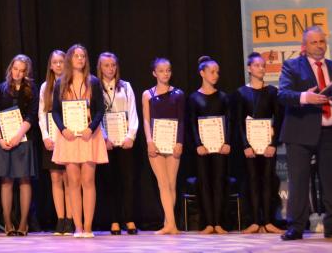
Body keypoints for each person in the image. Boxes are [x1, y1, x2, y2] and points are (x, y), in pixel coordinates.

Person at [279, 26, 332, 240]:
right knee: (299, 180)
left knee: (331, 181)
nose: (319, 46)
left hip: (331, 132)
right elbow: (283, 95)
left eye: (321, 41)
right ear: (304, 46)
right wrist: (305, 97)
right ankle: (296, 226)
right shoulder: (291, 66)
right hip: (300, 131)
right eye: (314, 42)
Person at [51, 44, 107, 238]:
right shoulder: (61, 83)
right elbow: (55, 111)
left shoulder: (93, 82)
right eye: (76, 56)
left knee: (88, 180)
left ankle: (88, 227)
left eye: (83, 56)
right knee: (73, 181)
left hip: (88, 135)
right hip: (69, 137)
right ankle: (78, 227)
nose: (80, 59)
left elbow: (100, 110)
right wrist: (63, 129)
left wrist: (91, 128)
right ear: (69, 59)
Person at [0, 54, 38, 236]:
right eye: (15, 69)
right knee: (6, 180)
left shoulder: (31, 89)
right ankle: (8, 223)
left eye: (22, 71)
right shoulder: (1, 89)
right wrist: (0, 138)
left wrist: (19, 135)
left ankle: (23, 223)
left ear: (27, 72)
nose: (17, 73)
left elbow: (32, 115)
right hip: (4, 139)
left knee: (25, 180)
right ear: (10, 68)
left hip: (23, 138)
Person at [237, 52, 283, 234]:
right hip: (250, 146)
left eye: (263, 65)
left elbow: (278, 119)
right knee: (252, 181)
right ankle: (255, 221)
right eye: (257, 65)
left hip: (267, 145)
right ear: (249, 68)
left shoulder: (272, 92)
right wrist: (245, 146)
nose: (261, 68)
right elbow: (238, 122)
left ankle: (268, 221)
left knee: (268, 181)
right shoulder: (242, 93)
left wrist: (273, 144)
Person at [187, 56, 232, 234]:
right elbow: (191, 123)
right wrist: (198, 144)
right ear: (202, 73)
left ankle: (218, 222)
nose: (216, 75)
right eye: (212, 72)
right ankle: (207, 223)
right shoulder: (194, 98)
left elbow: (229, 122)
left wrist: (227, 142)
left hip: (220, 147)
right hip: (202, 149)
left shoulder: (223, 97)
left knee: (219, 182)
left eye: (217, 72)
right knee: (204, 183)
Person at [142, 57, 185, 235]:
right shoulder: (147, 95)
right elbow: (146, 120)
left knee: (171, 183)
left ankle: (169, 223)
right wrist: (149, 141)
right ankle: (171, 225)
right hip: (156, 143)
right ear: (154, 73)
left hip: (173, 143)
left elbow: (181, 120)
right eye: (161, 71)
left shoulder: (178, 94)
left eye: (168, 70)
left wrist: (179, 142)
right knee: (163, 183)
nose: (165, 73)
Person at [97, 52, 138, 235]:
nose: (110, 69)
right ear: (100, 67)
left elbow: (133, 111)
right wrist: (104, 138)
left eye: (113, 65)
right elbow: (95, 115)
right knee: (110, 181)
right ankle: (114, 220)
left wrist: (131, 136)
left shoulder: (126, 86)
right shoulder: (95, 87)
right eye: (106, 65)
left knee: (127, 180)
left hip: (124, 141)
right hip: (106, 142)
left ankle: (129, 219)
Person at [38, 49, 72, 235]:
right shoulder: (46, 87)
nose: (58, 65)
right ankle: (60, 219)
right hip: (51, 136)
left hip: (68, 135)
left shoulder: (71, 82)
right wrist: (45, 136)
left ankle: (71, 219)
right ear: (50, 66)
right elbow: (42, 113)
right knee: (56, 178)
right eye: (55, 62)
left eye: (61, 61)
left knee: (69, 178)